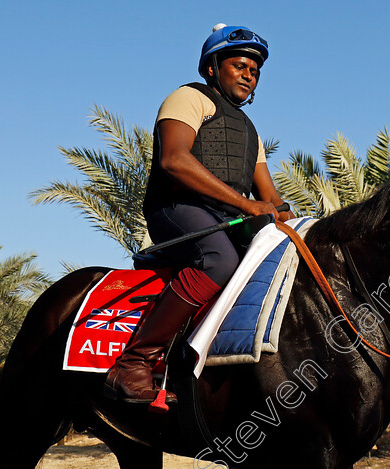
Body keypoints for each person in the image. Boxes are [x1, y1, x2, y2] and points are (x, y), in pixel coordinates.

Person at [105, 24, 293, 404]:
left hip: (226, 218)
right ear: (212, 68)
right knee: (219, 261)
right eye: (240, 65)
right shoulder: (187, 98)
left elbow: (268, 194)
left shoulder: (249, 130)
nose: (249, 75)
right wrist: (246, 205)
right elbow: (174, 160)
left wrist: (289, 215)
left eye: (254, 71)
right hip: (176, 209)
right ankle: (133, 363)